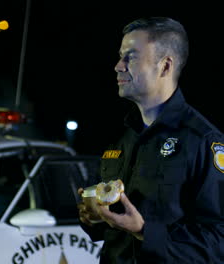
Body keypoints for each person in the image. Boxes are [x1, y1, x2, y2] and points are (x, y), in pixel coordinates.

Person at [77, 17, 224, 263]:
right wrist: (94, 217)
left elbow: (219, 241)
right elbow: (112, 229)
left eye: (130, 57)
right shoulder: (119, 136)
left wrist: (144, 232)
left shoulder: (203, 141)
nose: (118, 66)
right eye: (120, 56)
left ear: (165, 66)